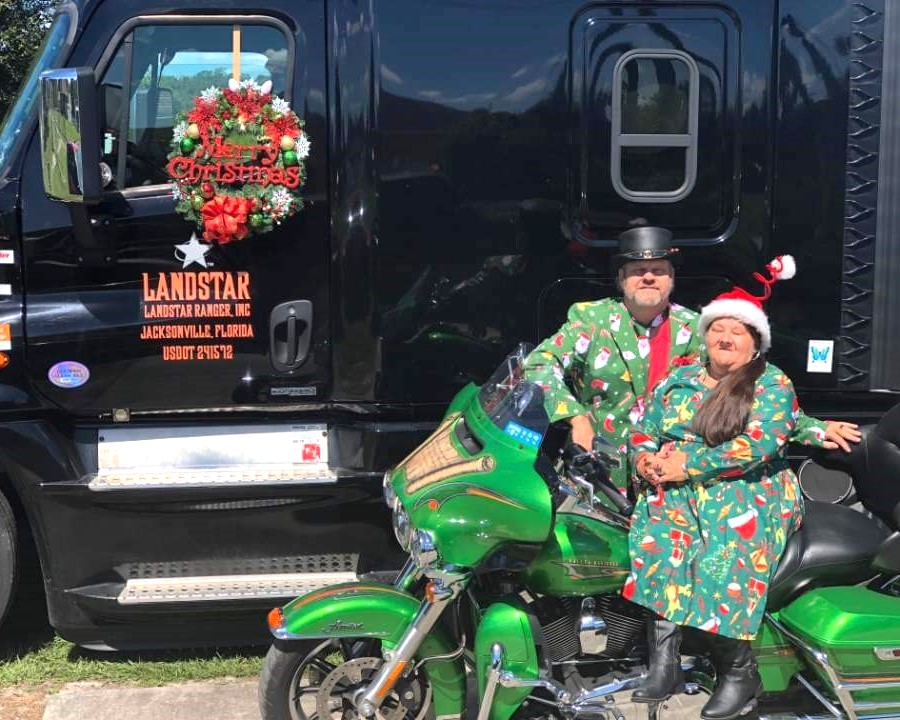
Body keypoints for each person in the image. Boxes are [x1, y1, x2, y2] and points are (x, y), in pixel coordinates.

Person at [623, 257, 837, 720]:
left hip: (750, 490)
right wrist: (644, 459)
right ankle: (665, 658)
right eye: (717, 328)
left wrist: (686, 465)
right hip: (680, 484)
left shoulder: (771, 383)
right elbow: (642, 427)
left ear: (755, 342)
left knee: (724, 552)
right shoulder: (678, 379)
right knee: (655, 535)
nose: (725, 337)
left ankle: (738, 672)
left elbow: (757, 446)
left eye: (737, 331)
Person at [523, 227, 859, 491]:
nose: (649, 277)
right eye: (638, 270)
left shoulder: (696, 329)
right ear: (621, 279)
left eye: (658, 269)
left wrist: (814, 428)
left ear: (672, 278)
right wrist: (575, 418)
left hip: (670, 477)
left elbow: (747, 387)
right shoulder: (591, 320)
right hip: (600, 472)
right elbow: (539, 365)